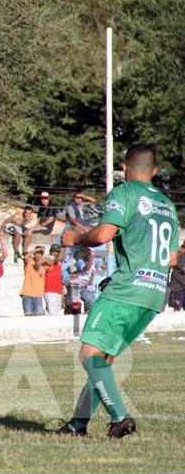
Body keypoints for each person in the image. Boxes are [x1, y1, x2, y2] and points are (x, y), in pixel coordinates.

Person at [58, 144, 179, 438]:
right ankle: (78, 423)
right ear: (154, 171)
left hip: (126, 289)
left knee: (89, 355)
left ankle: (120, 418)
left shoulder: (124, 193)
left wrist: (74, 237)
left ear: (124, 168)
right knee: (104, 360)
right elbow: (173, 257)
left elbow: (102, 235)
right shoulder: (168, 205)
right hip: (153, 295)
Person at [19, 246, 46, 316]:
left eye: (40, 253)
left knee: (38, 317)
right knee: (28, 316)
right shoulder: (29, 261)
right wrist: (36, 249)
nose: (38, 254)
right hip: (27, 294)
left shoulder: (45, 263)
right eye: (36, 253)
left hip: (38, 295)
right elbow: (25, 257)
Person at [43, 244, 65, 315]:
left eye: (57, 252)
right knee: (51, 312)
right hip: (49, 289)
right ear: (50, 251)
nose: (55, 253)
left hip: (57, 290)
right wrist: (63, 249)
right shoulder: (48, 258)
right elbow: (56, 259)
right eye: (54, 251)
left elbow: (60, 279)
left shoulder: (59, 263)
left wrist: (62, 297)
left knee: (57, 312)